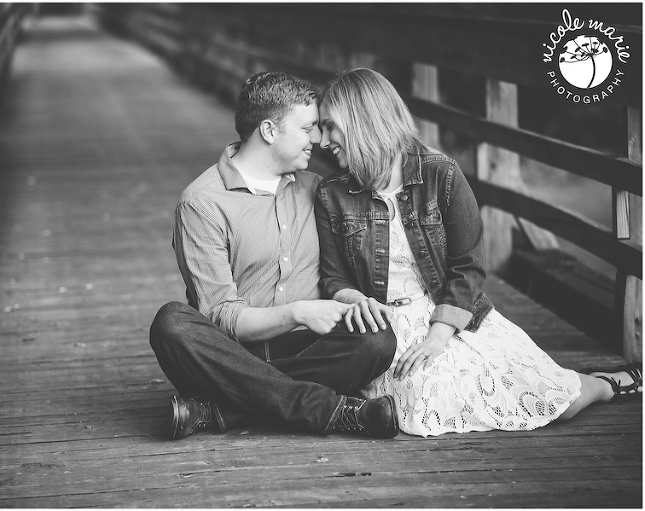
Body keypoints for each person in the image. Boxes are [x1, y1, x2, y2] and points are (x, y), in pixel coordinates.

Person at [314, 68, 642, 437]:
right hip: (384, 328)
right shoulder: (331, 194)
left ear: (361, 119)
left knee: (549, 397)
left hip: (450, 316)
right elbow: (333, 276)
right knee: (421, 402)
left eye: (330, 127)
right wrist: (355, 299)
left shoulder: (442, 176)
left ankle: (609, 384)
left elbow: (468, 265)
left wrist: (439, 335)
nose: (322, 140)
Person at [149, 71, 399, 440]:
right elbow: (220, 315)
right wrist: (296, 312)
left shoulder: (318, 190)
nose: (318, 139)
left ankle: (218, 409)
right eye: (307, 128)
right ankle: (334, 411)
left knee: (376, 340)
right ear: (269, 131)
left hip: (307, 349)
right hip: (229, 353)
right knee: (171, 323)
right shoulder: (202, 203)